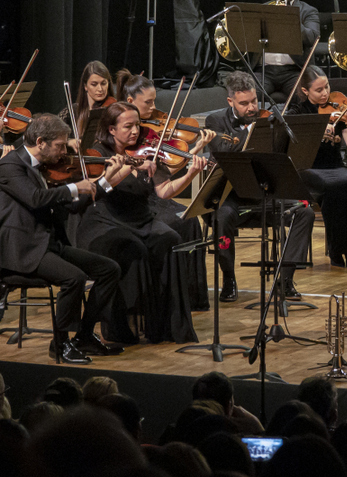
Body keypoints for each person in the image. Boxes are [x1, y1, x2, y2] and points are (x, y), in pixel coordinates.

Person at [0, 114, 128, 364]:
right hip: (21, 250)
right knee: (74, 277)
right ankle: (59, 344)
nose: (63, 152)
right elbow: (35, 199)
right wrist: (74, 187)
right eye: (59, 146)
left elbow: (70, 207)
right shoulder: (9, 166)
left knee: (109, 269)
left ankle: (84, 336)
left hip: (47, 243)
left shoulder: (45, 167)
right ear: (40, 142)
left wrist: (105, 180)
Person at [75, 102, 205, 344]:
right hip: (107, 220)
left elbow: (164, 191)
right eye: (128, 126)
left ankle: (166, 325)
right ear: (112, 129)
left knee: (171, 240)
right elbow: (99, 187)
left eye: (137, 125)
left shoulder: (145, 149)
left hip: (140, 217)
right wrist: (129, 166)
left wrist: (191, 174)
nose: (135, 131)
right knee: (132, 248)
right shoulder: (99, 154)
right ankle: (123, 326)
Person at [203, 71, 316, 301]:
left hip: (265, 193)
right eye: (244, 103)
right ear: (230, 101)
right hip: (232, 197)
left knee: (304, 212)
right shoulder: (215, 121)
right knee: (222, 218)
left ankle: (285, 279)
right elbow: (225, 151)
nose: (251, 108)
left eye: (254, 101)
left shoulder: (269, 120)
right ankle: (229, 278)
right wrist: (251, 131)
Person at [117, 70, 215, 310]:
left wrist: (194, 153)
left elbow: (165, 172)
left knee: (190, 220)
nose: (154, 108)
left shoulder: (148, 134)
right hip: (134, 201)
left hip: (154, 194)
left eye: (154, 101)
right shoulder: (117, 134)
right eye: (148, 102)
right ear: (130, 101)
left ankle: (190, 296)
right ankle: (164, 294)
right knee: (175, 224)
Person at [287, 65, 347, 270]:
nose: (325, 93)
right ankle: (336, 249)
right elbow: (292, 146)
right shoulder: (297, 113)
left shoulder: (339, 109)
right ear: (305, 91)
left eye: (327, 87)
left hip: (335, 165)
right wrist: (319, 128)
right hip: (309, 168)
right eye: (319, 90)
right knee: (333, 187)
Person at [255, 0, 322, 99]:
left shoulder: (309, 11)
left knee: (303, 97)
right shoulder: (262, 10)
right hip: (264, 71)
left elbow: (312, 38)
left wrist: (290, 18)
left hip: (294, 71)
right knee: (247, 95)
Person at [59, 61, 115, 146]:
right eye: (94, 84)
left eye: (103, 83)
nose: (100, 89)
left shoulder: (113, 109)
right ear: (85, 86)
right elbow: (52, 134)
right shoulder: (72, 110)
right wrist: (68, 141)